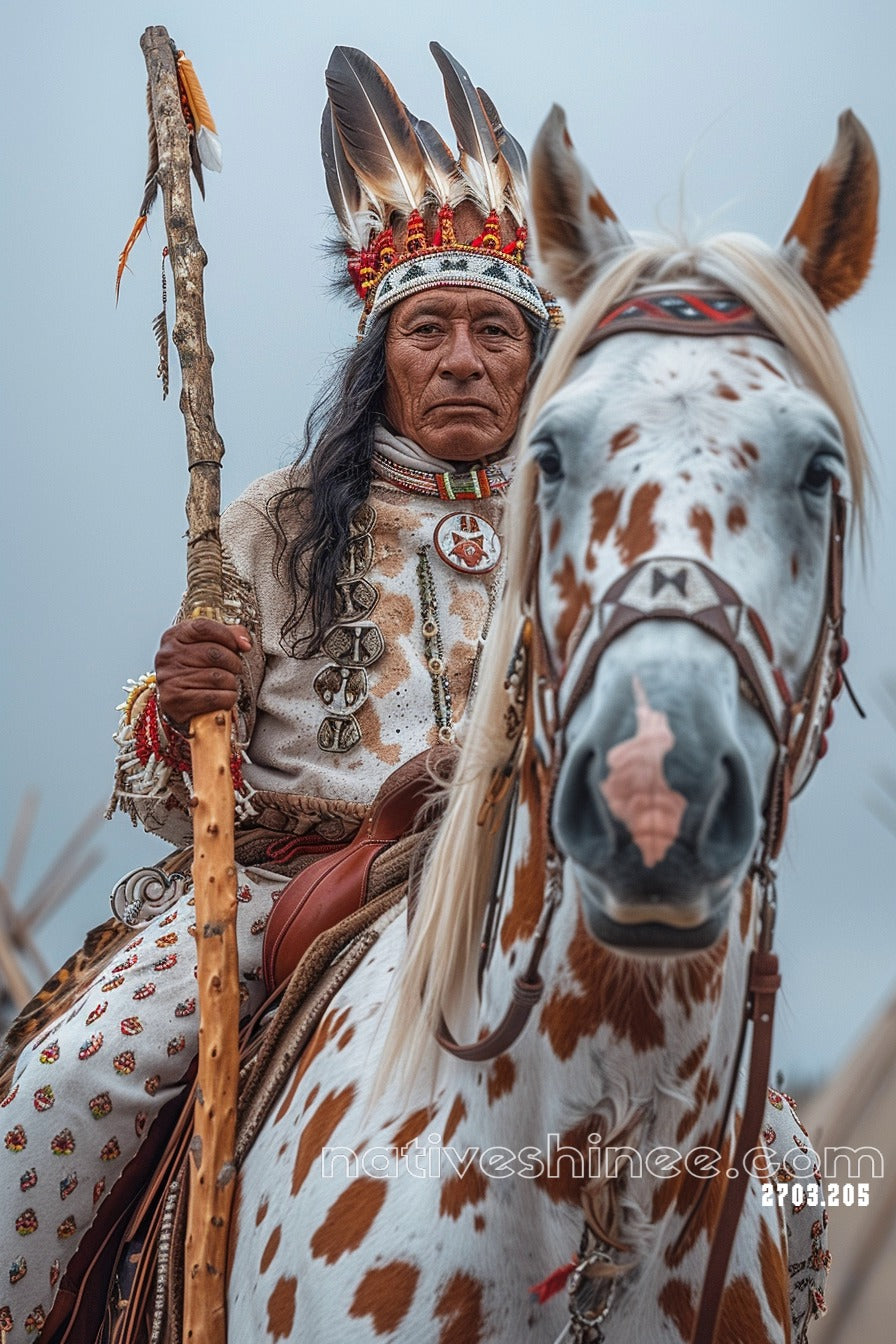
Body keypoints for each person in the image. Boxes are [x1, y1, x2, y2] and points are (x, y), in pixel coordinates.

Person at [0, 44, 560, 1340]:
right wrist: (183, 705)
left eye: (496, 329)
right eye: (430, 327)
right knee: (68, 1084)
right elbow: (167, 780)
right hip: (296, 887)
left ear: (539, 358)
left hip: (538, 886)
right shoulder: (278, 520)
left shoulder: (590, 534)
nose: (465, 357)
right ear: (384, 355)